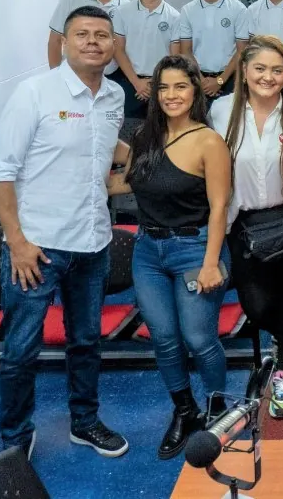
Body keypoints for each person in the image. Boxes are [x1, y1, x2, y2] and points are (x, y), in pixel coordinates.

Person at [0, 6, 128, 460]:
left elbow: (105, 158)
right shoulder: (34, 93)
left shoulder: (114, 98)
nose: (93, 42)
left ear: (113, 45)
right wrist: (17, 242)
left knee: (86, 342)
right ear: (64, 43)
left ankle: (84, 422)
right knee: (21, 350)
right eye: (83, 34)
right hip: (37, 248)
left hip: (92, 243)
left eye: (102, 35)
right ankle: (14, 439)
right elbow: (1, 173)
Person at [106, 55, 231, 460]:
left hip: (194, 249)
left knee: (198, 338)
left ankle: (216, 408)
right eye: (164, 88)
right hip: (148, 252)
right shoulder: (144, 136)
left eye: (181, 86)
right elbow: (122, 183)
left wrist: (212, 262)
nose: (172, 95)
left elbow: (219, 207)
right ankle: (184, 410)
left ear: (195, 91)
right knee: (163, 338)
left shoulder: (208, 141)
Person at [210, 36, 283, 420]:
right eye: (260, 69)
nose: (268, 77)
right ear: (245, 72)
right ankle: (281, 339)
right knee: (255, 302)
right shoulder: (221, 111)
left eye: (277, 70)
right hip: (241, 223)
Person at [113, 0, 181, 118]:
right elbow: (118, 50)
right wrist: (137, 83)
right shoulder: (122, 12)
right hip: (130, 82)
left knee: (162, 133)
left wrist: (156, 82)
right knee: (129, 134)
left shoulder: (175, 17)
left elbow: (174, 57)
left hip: (162, 84)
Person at [176, 0, 248, 97]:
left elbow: (242, 50)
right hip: (197, 78)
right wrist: (202, 81)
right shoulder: (187, 10)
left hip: (230, 79)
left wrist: (220, 80)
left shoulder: (238, 9)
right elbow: (186, 50)